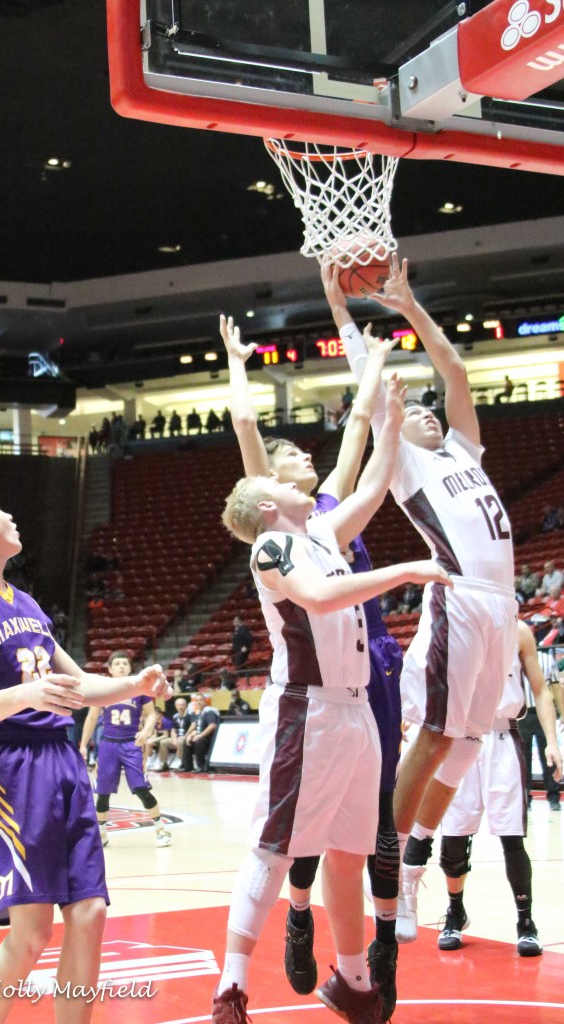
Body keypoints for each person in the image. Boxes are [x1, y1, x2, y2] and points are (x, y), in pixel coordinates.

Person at [215, 386, 451, 1024]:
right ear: (268, 503)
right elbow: (320, 598)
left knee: (349, 850)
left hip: (354, 710)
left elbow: (372, 489)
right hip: (307, 711)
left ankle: (351, 981)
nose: (308, 482)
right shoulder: (272, 547)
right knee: (277, 847)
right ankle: (231, 988)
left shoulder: (318, 530)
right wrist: (406, 571)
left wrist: (391, 423)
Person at [325, 254, 518, 945]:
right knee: (435, 736)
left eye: (434, 414)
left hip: (501, 604)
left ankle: (413, 864)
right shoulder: (405, 463)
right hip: (458, 598)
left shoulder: (464, 455)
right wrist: (342, 311)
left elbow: (455, 373)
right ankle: (391, 872)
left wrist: (408, 304)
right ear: (396, 432)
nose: (432, 415)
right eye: (418, 414)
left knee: (468, 744)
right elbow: (369, 389)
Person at [0, 485, 170, 1024]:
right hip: (9, 768)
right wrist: (27, 696)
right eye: (0, 509)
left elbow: (80, 686)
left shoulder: (29, 602)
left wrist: (136, 684)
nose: (11, 515)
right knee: (32, 933)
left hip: (60, 761)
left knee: (90, 912)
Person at [437, 620, 562, 954]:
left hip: (503, 735)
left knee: (511, 837)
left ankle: (525, 921)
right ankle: (455, 910)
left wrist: (552, 742)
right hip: (459, 736)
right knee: (454, 837)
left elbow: (540, 689)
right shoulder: (455, 625)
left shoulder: (519, 631)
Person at [80, 650, 173, 848]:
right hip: (108, 745)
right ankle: (102, 834)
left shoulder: (140, 690)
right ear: (110, 669)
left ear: (130, 668)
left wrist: (146, 731)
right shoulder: (103, 690)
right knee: (103, 792)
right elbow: (91, 717)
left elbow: (150, 715)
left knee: (141, 788)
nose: (122, 666)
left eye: (125, 663)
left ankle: (161, 829)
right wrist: (82, 745)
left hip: (132, 744)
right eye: (117, 664)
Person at [518, 640, 562, 811]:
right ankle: (526, 798)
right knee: (524, 759)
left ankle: (553, 797)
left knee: (549, 758)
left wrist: (563, 713)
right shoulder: (515, 660)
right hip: (522, 714)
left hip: (543, 713)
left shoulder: (546, 660)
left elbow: (555, 687)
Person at [184, 691, 219, 772]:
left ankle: (202, 766)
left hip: (211, 738)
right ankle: (188, 767)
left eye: (200, 700)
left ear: (205, 701)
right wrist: (191, 734)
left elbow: (212, 726)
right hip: (203, 736)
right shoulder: (199, 713)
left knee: (199, 741)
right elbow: (199, 728)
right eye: (196, 700)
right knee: (186, 741)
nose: (198, 702)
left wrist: (199, 736)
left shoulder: (209, 711)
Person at [155, 695, 192, 771]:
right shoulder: (175, 716)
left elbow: (193, 727)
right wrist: (174, 739)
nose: (180, 707)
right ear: (175, 706)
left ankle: (182, 764)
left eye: (182, 705)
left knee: (180, 742)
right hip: (177, 737)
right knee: (163, 742)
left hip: (186, 737)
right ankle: (164, 764)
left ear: (186, 705)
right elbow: (173, 730)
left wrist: (185, 736)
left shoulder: (190, 715)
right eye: (178, 705)